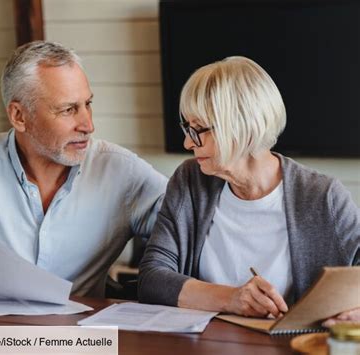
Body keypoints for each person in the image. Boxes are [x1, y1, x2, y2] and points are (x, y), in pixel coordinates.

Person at [0, 41, 168, 300]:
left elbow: (192, 221)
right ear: (19, 116)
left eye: (87, 104)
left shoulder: (121, 172)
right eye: (68, 109)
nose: (87, 125)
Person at [138, 56, 359, 324]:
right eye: (187, 128)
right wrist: (232, 298)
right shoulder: (190, 181)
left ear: (240, 127)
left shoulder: (324, 197)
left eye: (198, 130)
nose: (187, 142)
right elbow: (152, 278)